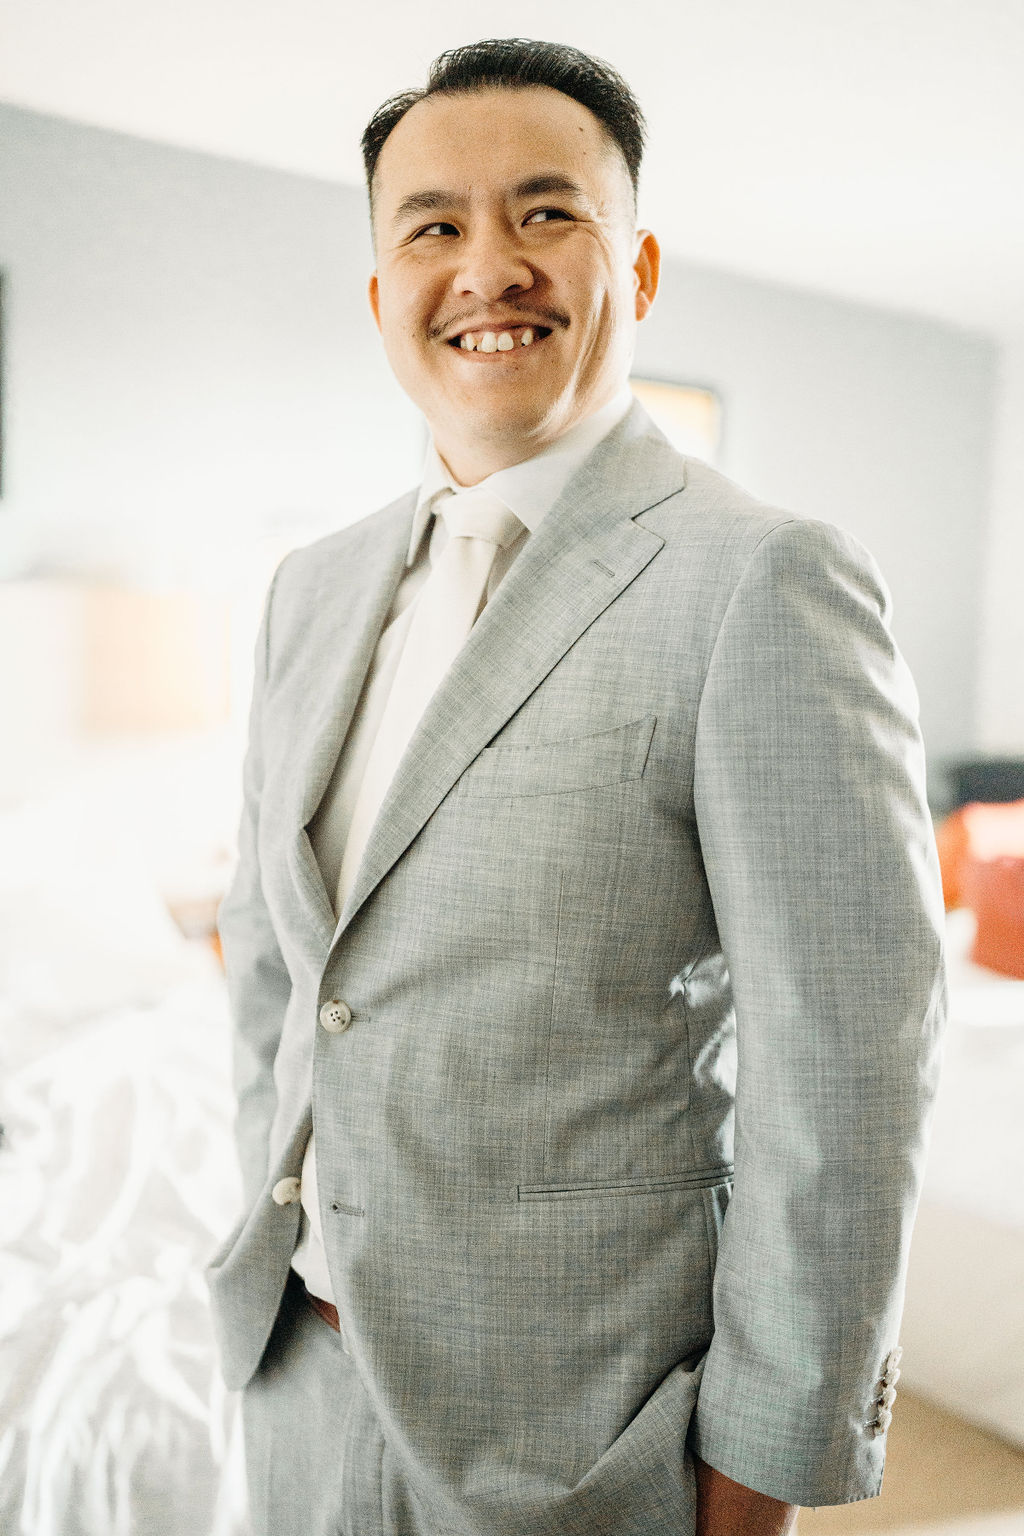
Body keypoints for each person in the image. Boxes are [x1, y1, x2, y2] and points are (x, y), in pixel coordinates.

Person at [208, 37, 946, 1536]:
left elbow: (848, 1072)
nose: (491, 266)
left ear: (642, 265)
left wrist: (760, 1474)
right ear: (379, 293)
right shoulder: (311, 587)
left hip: (588, 1436)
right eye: (434, 225)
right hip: (300, 1399)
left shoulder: (764, 581)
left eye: (548, 214)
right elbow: (280, 983)